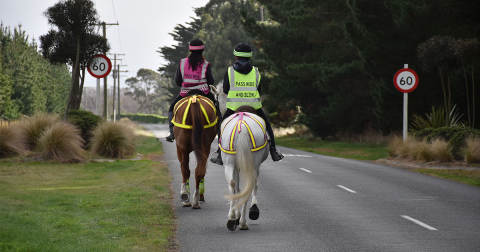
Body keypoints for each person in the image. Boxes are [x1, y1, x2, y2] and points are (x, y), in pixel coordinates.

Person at [210, 42, 284, 164]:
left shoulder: (230, 71)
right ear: (249, 56)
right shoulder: (256, 71)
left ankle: (219, 152)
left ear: (236, 57)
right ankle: (273, 151)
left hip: (234, 106)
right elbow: (258, 90)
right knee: (267, 126)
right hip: (254, 106)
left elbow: (226, 90)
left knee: (222, 126)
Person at [165, 39, 217, 142]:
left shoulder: (182, 62)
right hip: (204, 93)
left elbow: (178, 81)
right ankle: (220, 132)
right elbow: (211, 81)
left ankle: (171, 133)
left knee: (171, 109)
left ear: (190, 50)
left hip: (185, 93)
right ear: (202, 50)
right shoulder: (206, 64)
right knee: (218, 109)